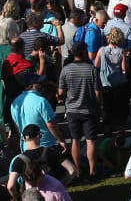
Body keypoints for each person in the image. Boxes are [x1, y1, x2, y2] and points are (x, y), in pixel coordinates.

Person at [57, 40, 101, 179]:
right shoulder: (92, 69)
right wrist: (100, 106)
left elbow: (61, 92)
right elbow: (98, 93)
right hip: (89, 110)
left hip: (72, 110)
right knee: (91, 141)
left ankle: (77, 172)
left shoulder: (66, 69)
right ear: (82, 52)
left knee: (75, 140)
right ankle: (92, 171)